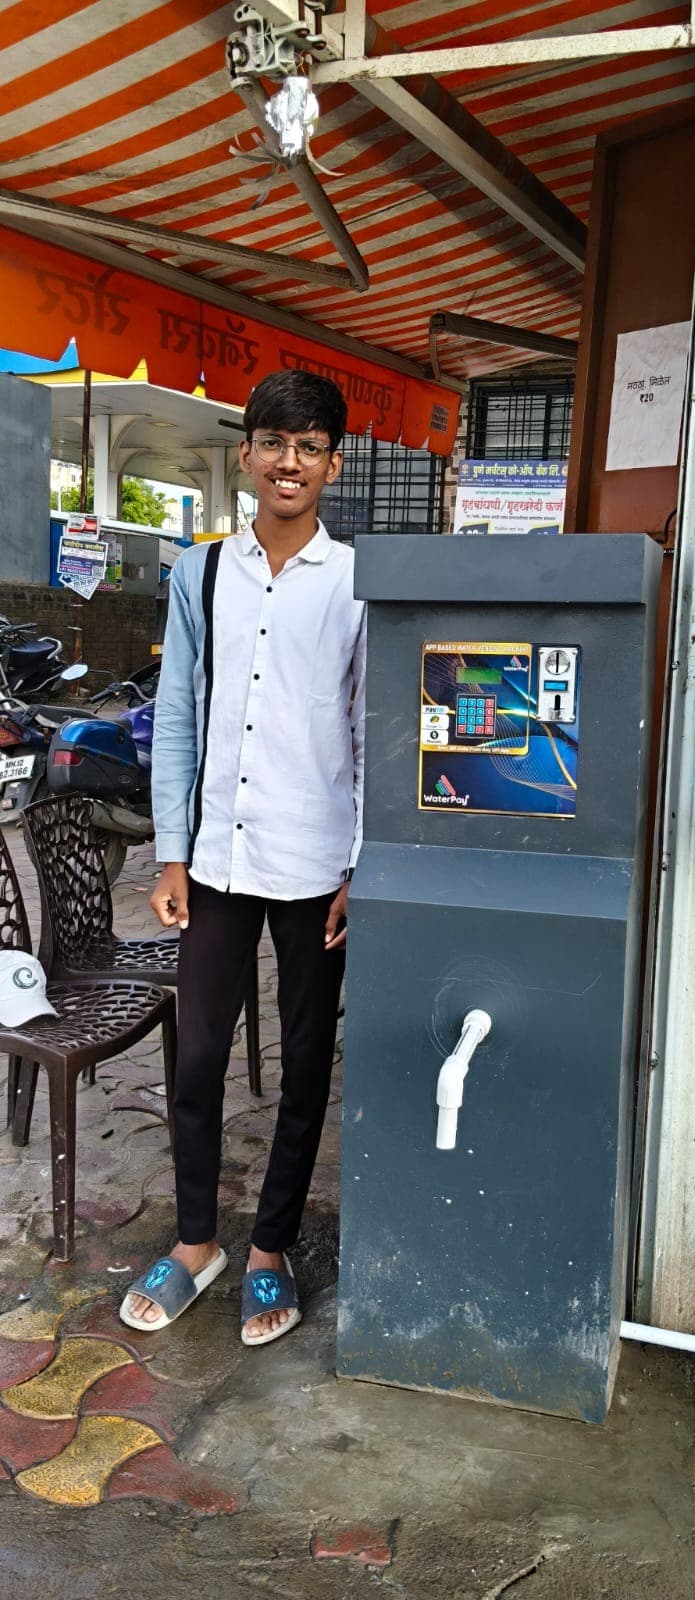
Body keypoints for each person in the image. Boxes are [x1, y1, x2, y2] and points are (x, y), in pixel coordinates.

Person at [120, 370, 365, 1347]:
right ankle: (193, 1243)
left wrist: (360, 863)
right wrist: (170, 854)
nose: (289, 462)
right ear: (246, 455)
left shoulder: (355, 583)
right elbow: (177, 713)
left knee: (306, 1062)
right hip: (217, 854)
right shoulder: (201, 572)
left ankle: (267, 1248)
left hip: (316, 860)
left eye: (309, 445)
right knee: (197, 1054)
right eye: (273, 442)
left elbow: (365, 721)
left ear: (332, 465)